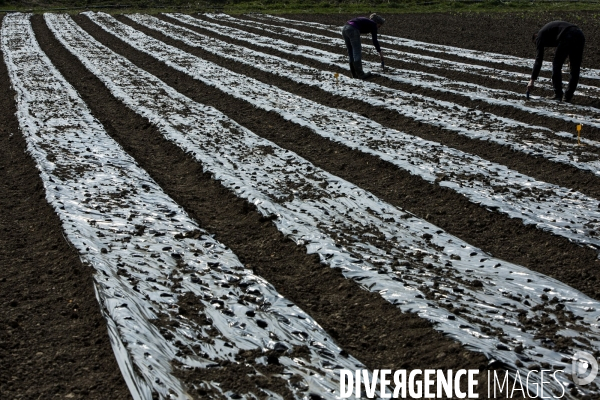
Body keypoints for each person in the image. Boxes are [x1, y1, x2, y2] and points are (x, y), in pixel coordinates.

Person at [527, 21, 585, 103]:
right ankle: (568, 96)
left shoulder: (539, 36)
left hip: (567, 35)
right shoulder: (550, 32)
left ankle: (558, 94)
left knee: (556, 65)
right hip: (579, 34)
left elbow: (539, 59)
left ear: (535, 37)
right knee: (575, 68)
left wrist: (532, 80)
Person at [341, 13, 385, 79]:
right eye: (379, 25)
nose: (379, 27)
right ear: (377, 22)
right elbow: (375, 41)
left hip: (344, 28)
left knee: (351, 52)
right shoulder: (373, 24)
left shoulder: (368, 22)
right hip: (353, 29)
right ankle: (361, 74)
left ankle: (354, 74)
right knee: (356, 51)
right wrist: (380, 53)